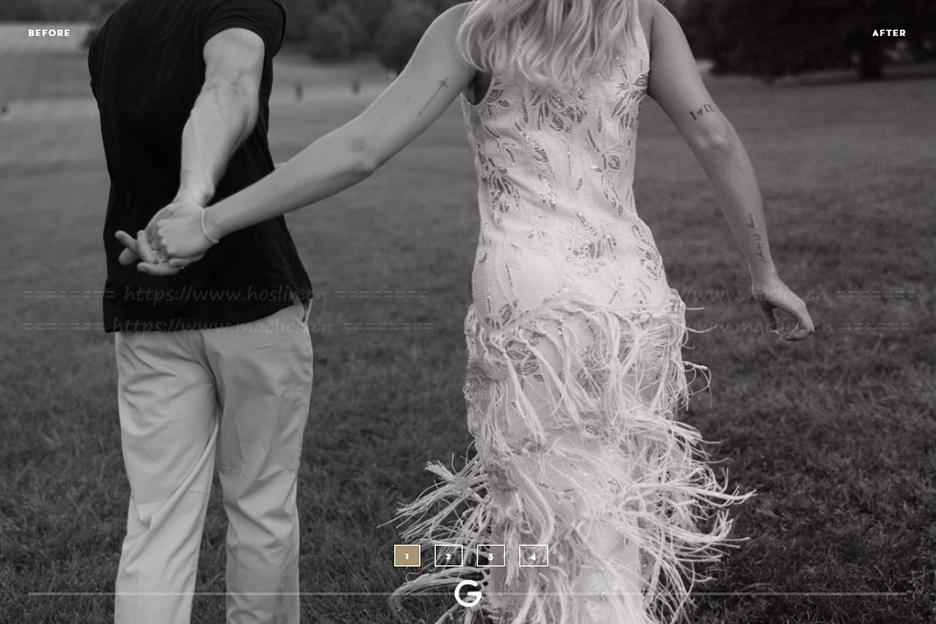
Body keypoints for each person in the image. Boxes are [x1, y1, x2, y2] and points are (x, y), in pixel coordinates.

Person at [121, 0, 816, 622]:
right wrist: (764, 271)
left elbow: (361, 149)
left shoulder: (473, 27)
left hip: (533, 304)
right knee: (606, 504)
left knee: (552, 510)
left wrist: (210, 221)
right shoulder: (646, 19)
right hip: (631, 297)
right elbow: (715, 136)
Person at [87, 1, 314, 623]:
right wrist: (195, 198)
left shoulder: (112, 31)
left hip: (144, 296)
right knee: (261, 505)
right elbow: (230, 83)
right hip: (249, 295)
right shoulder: (237, 6)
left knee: (156, 517)